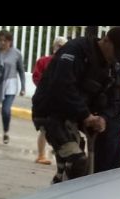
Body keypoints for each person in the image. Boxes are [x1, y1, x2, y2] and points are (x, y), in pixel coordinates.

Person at [32, 27, 120, 183]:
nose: (115, 58)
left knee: (77, 165)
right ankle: (61, 195)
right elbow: (62, 87)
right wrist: (86, 115)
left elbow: (116, 94)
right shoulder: (76, 50)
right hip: (52, 113)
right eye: (115, 52)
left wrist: (104, 117)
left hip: (76, 116)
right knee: (78, 162)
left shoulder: (112, 63)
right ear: (106, 41)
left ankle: (58, 186)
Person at [32, 36, 68, 165]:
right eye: (58, 45)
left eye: (63, 46)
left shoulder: (67, 63)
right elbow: (36, 77)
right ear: (54, 47)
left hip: (60, 102)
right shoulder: (43, 61)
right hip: (45, 102)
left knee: (60, 128)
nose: (60, 48)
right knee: (44, 129)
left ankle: (58, 152)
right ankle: (41, 155)